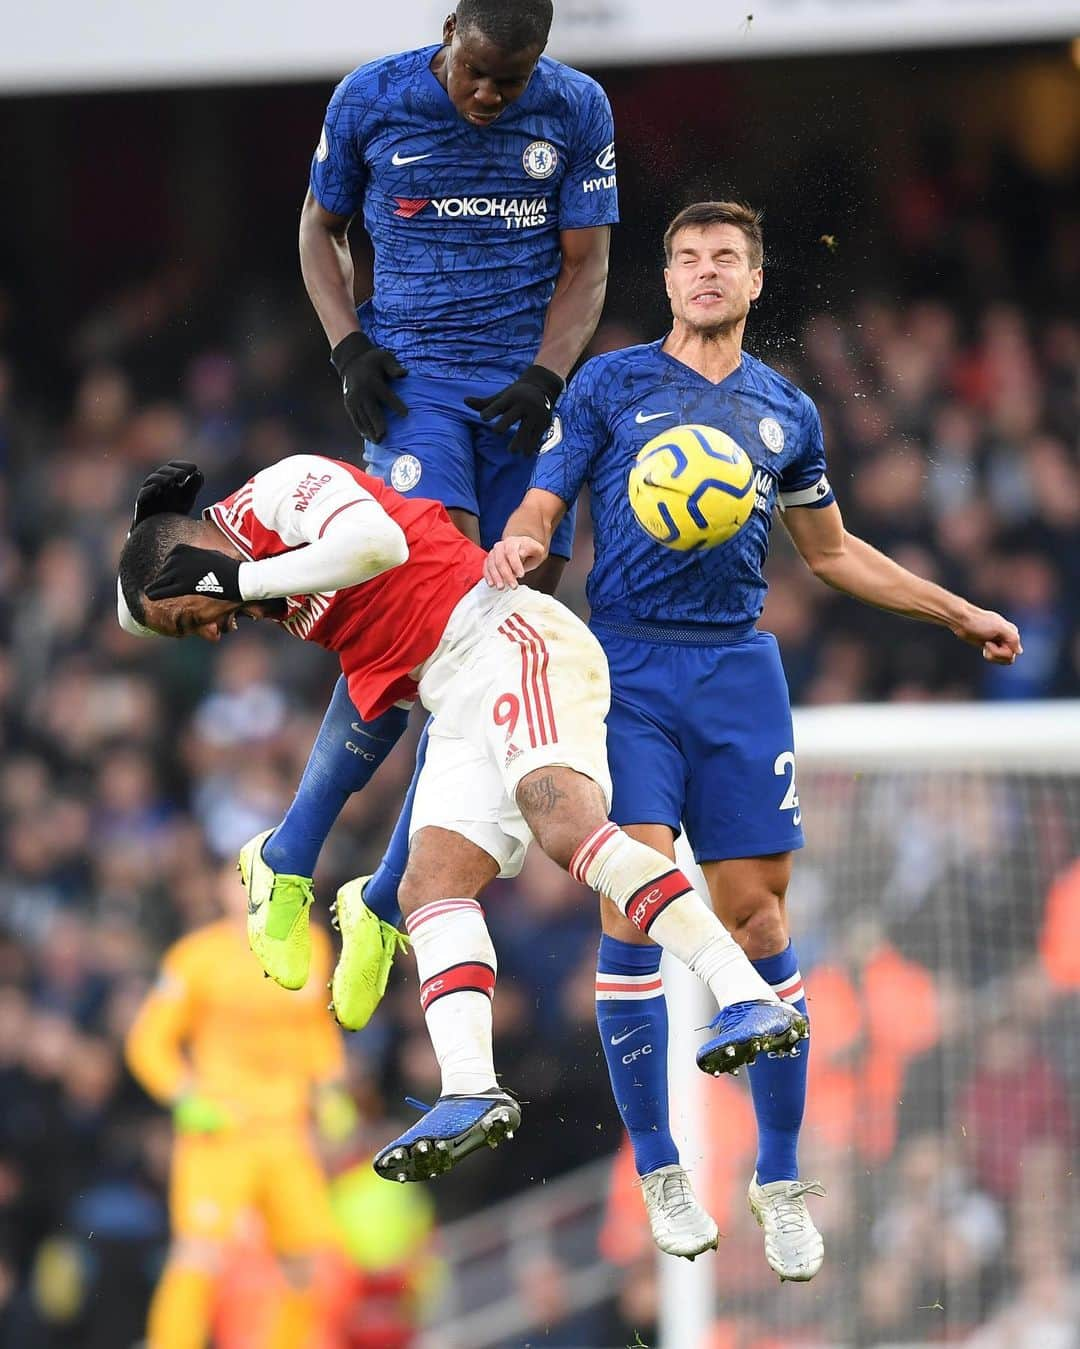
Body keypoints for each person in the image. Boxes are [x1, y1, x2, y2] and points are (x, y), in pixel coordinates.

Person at [484, 200, 1023, 1273]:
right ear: (671, 280)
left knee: (760, 913)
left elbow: (831, 553)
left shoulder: (786, 411)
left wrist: (955, 608)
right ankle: (661, 1166)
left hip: (737, 672)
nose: (704, 273)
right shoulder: (611, 382)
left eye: (725, 258)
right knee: (629, 899)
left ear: (757, 280)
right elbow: (545, 501)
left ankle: (780, 1177)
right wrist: (526, 535)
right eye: (687, 259)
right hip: (626, 665)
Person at [117, 450, 806, 1185]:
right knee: (429, 887)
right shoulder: (264, 593)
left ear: (199, 564)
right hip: (452, 694)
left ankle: (746, 995)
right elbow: (369, 683)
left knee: (568, 829)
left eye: (195, 618)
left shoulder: (279, 492)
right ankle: (471, 1087)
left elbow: (377, 541)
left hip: (507, 638)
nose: (214, 632)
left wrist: (232, 579)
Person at [253, 0, 618, 940]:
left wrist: (548, 373)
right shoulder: (371, 97)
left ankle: (382, 896)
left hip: (523, 399)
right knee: (435, 615)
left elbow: (587, 266)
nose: (490, 94)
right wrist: (346, 348)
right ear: (449, 29)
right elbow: (317, 226)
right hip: (416, 382)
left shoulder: (577, 108)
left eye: (513, 78)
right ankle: (290, 851)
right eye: (476, 72)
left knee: (508, 622)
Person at [124, 860, 356, 1349]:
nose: (259, 896)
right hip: (221, 1128)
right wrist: (184, 1095)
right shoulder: (195, 958)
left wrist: (332, 1089)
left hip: (288, 1130)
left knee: (307, 1262)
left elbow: (317, 1027)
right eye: (248, 885)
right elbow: (148, 1042)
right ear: (223, 891)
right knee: (200, 1253)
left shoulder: (311, 945)